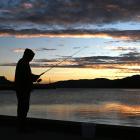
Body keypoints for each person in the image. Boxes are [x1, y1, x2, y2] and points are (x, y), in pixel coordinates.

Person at [15, 48, 41, 131]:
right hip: (23, 90)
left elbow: (28, 75)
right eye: (31, 57)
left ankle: (21, 126)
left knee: (23, 108)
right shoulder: (23, 63)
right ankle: (21, 128)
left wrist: (35, 78)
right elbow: (26, 77)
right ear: (27, 55)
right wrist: (35, 77)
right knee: (23, 108)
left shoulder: (23, 62)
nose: (31, 59)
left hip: (22, 89)